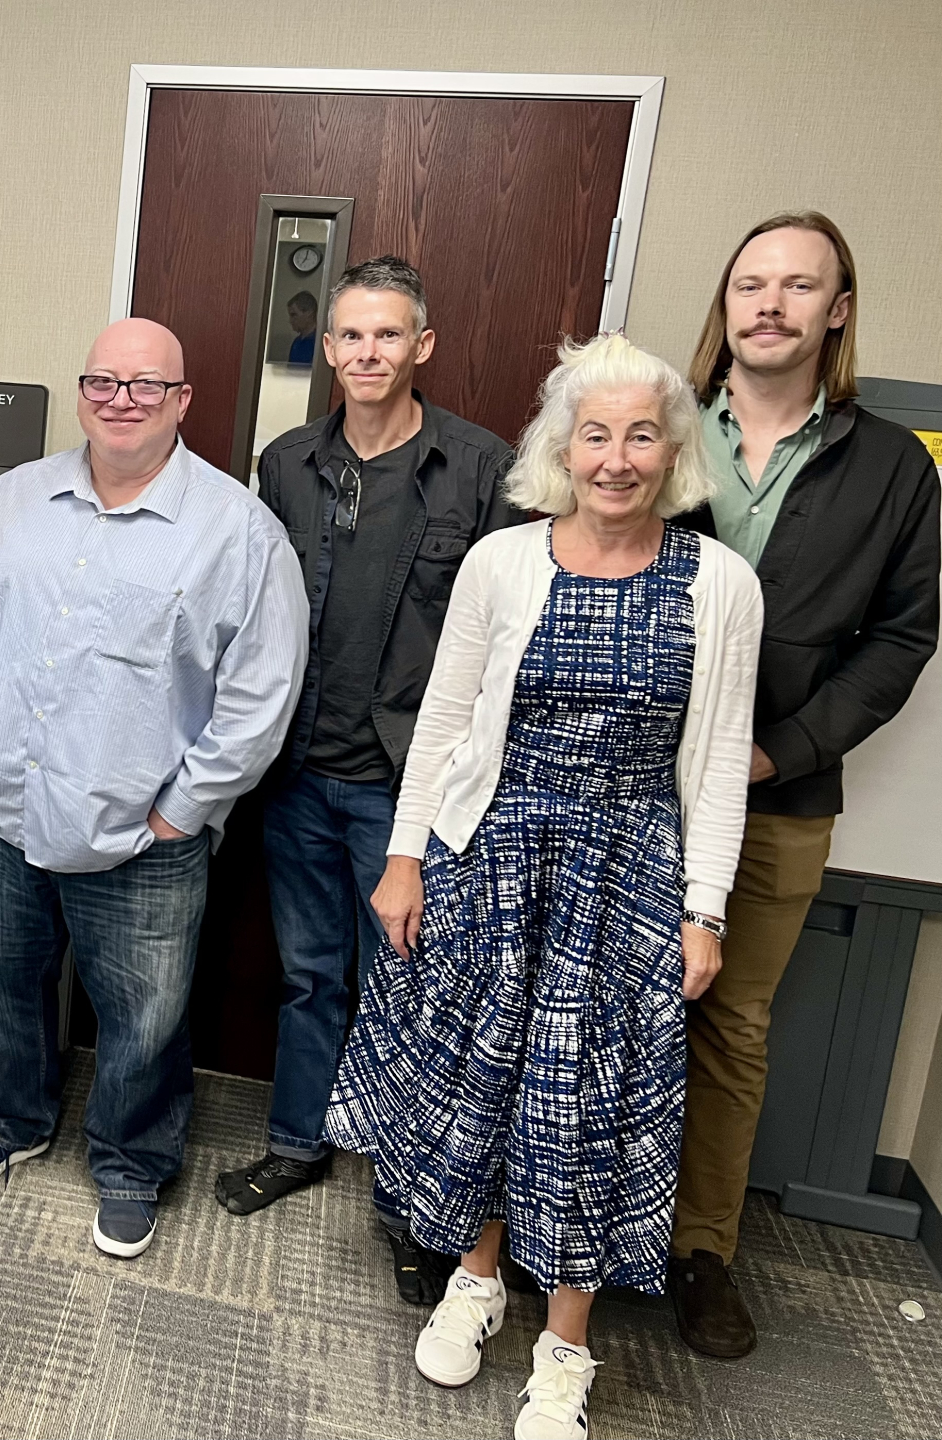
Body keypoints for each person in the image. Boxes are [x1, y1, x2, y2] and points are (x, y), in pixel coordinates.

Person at [324, 333, 761, 1440]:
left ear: (674, 454)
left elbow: (716, 761)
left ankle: (567, 1346)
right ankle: (479, 1279)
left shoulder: (721, 585)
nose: (615, 458)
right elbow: (448, 718)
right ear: (562, 448)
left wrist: (704, 908)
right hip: (496, 853)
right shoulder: (503, 561)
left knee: (593, 1104)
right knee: (487, 1079)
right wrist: (407, 854)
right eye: (594, 435)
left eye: (641, 436)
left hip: (629, 873)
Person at [0, 317, 307, 1258]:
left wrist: (187, 807)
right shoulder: (13, 500)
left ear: (183, 401)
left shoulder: (238, 531)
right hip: (5, 809)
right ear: (83, 393)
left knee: (146, 1015)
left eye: (147, 385)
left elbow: (262, 694)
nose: (122, 401)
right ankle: (10, 1121)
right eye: (104, 382)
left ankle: (131, 1162)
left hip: (143, 831)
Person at [216, 256, 525, 1301]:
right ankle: (298, 1143)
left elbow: (506, 645)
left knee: (415, 998)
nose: (366, 354)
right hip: (299, 773)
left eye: (387, 336)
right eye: (348, 336)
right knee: (310, 976)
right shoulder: (286, 462)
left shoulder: (483, 469)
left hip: (413, 792)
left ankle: (410, 1204)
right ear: (328, 349)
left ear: (421, 347)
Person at [667, 212, 940, 1358]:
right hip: (619, 790)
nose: (768, 304)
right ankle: (550, 1227)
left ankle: (700, 1253)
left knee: (730, 1026)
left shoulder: (889, 465)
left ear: (838, 311)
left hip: (778, 801)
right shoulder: (654, 428)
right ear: (724, 305)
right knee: (583, 1005)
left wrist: (783, 747)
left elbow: (901, 637)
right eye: (749, 284)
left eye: (798, 286)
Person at [286, 291, 319, 367]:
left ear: (309, 313)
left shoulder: (318, 343)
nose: (290, 321)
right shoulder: (296, 342)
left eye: (294, 315)